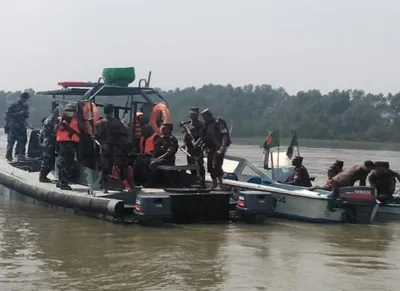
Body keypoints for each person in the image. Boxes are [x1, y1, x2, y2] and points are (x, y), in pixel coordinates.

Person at [95, 104, 135, 193]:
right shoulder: (117, 123)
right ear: (112, 112)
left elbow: (96, 136)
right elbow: (126, 133)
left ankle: (105, 188)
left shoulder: (98, 123)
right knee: (123, 166)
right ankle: (128, 186)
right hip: (116, 148)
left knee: (105, 168)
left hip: (104, 149)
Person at [200, 109, 231, 190]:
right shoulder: (206, 125)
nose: (205, 118)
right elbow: (204, 137)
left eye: (206, 116)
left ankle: (220, 185)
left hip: (218, 147)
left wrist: (222, 147)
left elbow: (224, 134)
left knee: (217, 166)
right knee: (210, 167)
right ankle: (214, 184)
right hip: (210, 148)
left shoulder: (218, 122)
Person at [55, 103, 80, 190]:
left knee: (68, 163)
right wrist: (61, 122)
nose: (71, 112)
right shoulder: (60, 120)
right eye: (69, 111)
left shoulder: (74, 121)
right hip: (63, 144)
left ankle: (61, 181)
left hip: (72, 144)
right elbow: (54, 130)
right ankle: (63, 183)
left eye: (72, 111)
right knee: (63, 163)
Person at [310, 160, 375, 191]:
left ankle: (317, 187)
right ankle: (316, 187)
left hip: (337, 177)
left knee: (331, 189)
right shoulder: (364, 170)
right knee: (339, 192)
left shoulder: (357, 166)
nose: (370, 171)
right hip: (344, 181)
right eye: (371, 169)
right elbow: (362, 184)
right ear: (369, 166)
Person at [182, 107, 206, 186]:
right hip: (190, 149)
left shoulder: (202, 125)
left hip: (198, 149)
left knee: (199, 166)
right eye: (191, 114)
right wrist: (184, 145)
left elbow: (203, 136)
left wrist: (197, 142)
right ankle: (195, 180)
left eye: (194, 114)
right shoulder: (189, 125)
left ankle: (202, 182)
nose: (192, 116)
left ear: (197, 115)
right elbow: (186, 138)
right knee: (191, 166)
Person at [4, 92, 30, 161]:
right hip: (13, 126)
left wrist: (29, 125)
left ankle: (19, 155)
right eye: (24, 99)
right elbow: (7, 116)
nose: (25, 101)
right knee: (11, 142)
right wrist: (6, 126)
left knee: (23, 141)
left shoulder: (25, 106)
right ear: (21, 97)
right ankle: (9, 156)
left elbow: (24, 117)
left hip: (21, 126)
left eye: (26, 100)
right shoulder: (13, 105)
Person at [39, 108, 59, 182]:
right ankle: (42, 176)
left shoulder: (52, 120)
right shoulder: (49, 121)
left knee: (50, 161)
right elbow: (51, 133)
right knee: (47, 161)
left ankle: (43, 176)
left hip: (51, 143)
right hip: (49, 143)